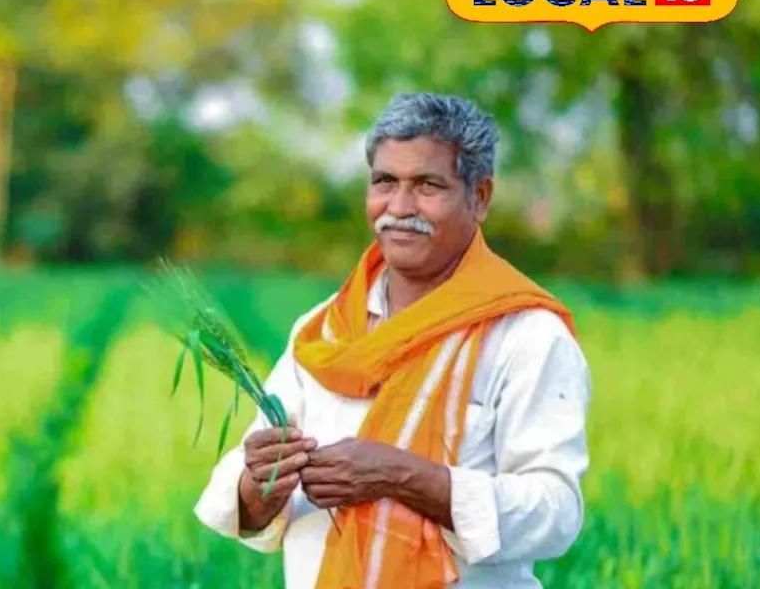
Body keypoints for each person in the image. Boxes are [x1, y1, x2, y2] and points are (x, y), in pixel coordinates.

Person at [192, 92, 592, 588]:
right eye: (385, 182)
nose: (399, 208)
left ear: (480, 196)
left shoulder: (525, 335)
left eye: (427, 185)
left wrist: (403, 476)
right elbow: (249, 502)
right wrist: (262, 481)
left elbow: (555, 513)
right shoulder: (323, 329)